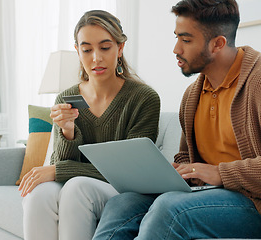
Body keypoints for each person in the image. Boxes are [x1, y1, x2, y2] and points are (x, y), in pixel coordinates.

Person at [92, 0, 261, 239]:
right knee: (121, 204)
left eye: (186, 40)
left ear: (217, 44)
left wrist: (222, 173)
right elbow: (187, 155)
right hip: (203, 194)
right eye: (176, 37)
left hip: (260, 206)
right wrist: (184, 171)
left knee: (171, 210)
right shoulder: (193, 95)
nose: (176, 49)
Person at [18, 10, 160, 240]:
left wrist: (59, 171)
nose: (96, 58)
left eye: (105, 48)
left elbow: (131, 171)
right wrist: (68, 131)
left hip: (121, 190)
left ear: (120, 48)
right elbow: (60, 162)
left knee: (77, 188)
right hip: (79, 181)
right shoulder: (66, 97)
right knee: (37, 194)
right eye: (86, 50)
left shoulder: (144, 98)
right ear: (78, 51)